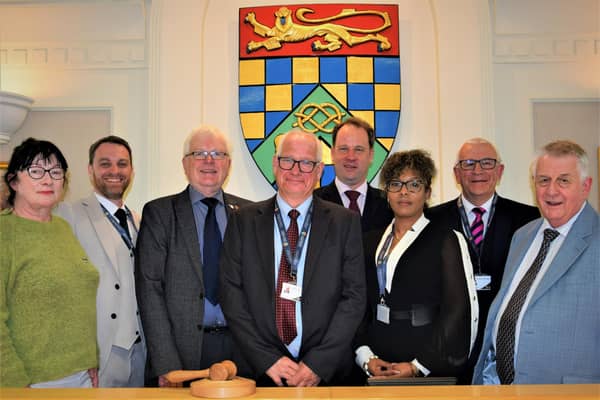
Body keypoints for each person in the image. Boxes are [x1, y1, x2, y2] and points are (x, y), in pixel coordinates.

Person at [220, 129, 366, 387]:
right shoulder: (243, 221)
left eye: (307, 163)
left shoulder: (345, 222)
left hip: (326, 373)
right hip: (260, 372)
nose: (296, 170)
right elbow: (231, 294)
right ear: (275, 164)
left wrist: (318, 363)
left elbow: (353, 298)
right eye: (288, 160)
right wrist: (266, 358)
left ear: (320, 170)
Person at [473, 140, 599, 384]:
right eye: (543, 180)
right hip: (502, 387)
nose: (551, 191)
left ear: (585, 186)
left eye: (563, 180)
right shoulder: (523, 235)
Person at [135, 125, 252, 387]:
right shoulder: (160, 214)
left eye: (217, 154)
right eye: (200, 153)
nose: (209, 161)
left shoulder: (249, 214)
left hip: (240, 354)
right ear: (185, 164)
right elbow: (149, 289)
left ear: (228, 164)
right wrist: (167, 364)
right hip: (180, 354)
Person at [355, 150, 478, 382]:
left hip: (426, 363)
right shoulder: (369, 241)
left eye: (414, 184)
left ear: (427, 192)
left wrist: (419, 365)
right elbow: (358, 303)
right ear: (387, 193)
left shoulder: (447, 240)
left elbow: (456, 310)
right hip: (376, 361)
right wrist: (364, 354)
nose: (404, 192)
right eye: (396, 184)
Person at [426, 138, 539, 382]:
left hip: (505, 340)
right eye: (468, 164)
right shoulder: (432, 220)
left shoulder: (528, 219)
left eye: (487, 163)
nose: (478, 171)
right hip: (451, 341)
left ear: (500, 171)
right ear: (457, 174)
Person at [0, 138, 99, 388]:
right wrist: (13, 383)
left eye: (56, 172)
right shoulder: (4, 232)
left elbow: (76, 301)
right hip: (32, 382)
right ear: (13, 181)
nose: (47, 180)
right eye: (35, 171)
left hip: (81, 376)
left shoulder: (62, 228)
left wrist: (90, 359)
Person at [55, 136, 145, 387]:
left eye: (122, 164)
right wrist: (80, 355)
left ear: (132, 171)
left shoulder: (139, 220)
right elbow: (61, 293)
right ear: (90, 170)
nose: (114, 171)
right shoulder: (68, 214)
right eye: (105, 164)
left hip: (140, 352)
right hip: (98, 352)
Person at [314, 117, 393, 232]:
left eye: (359, 149)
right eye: (343, 149)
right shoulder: (313, 202)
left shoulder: (389, 205)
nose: (351, 157)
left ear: (371, 155)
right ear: (332, 154)